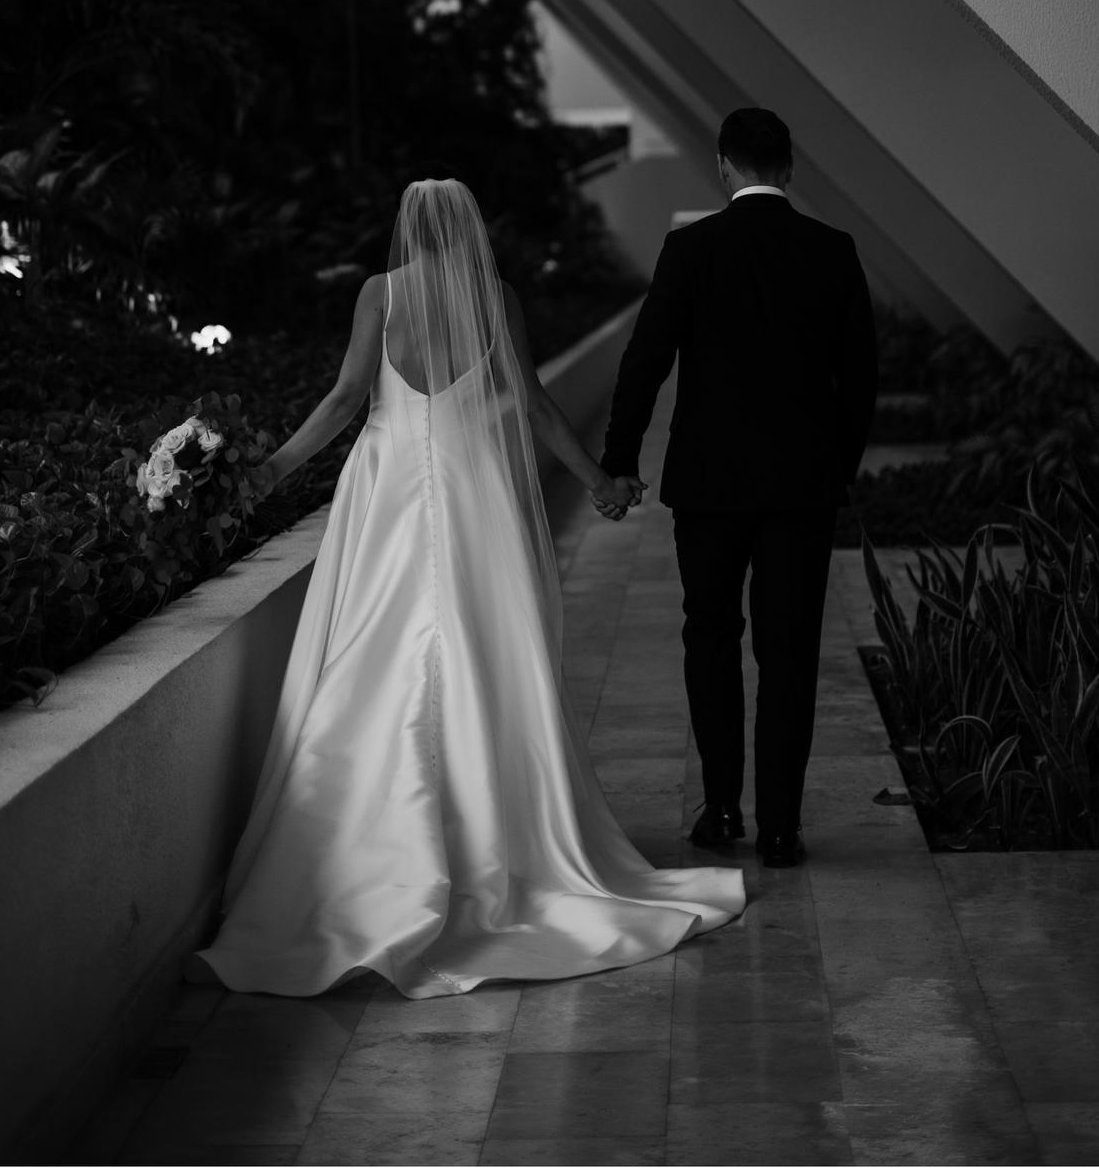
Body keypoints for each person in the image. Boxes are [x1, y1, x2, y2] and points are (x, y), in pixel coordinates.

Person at [190, 177, 745, 998]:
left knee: (373, 654)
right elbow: (534, 405)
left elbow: (347, 398)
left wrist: (267, 472)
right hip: (472, 494)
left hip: (387, 500)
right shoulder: (496, 297)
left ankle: (370, 858)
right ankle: (498, 838)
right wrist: (600, 478)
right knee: (486, 657)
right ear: (470, 230)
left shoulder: (380, 294)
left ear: (409, 229)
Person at [598, 108, 878, 868]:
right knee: (789, 654)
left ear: (724, 166)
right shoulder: (832, 250)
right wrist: (835, 465)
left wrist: (618, 461)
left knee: (711, 637)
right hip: (800, 488)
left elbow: (645, 361)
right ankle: (781, 827)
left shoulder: (692, 249)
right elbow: (860, 382)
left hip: (710, 486)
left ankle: (723, 809)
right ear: (790, 166)